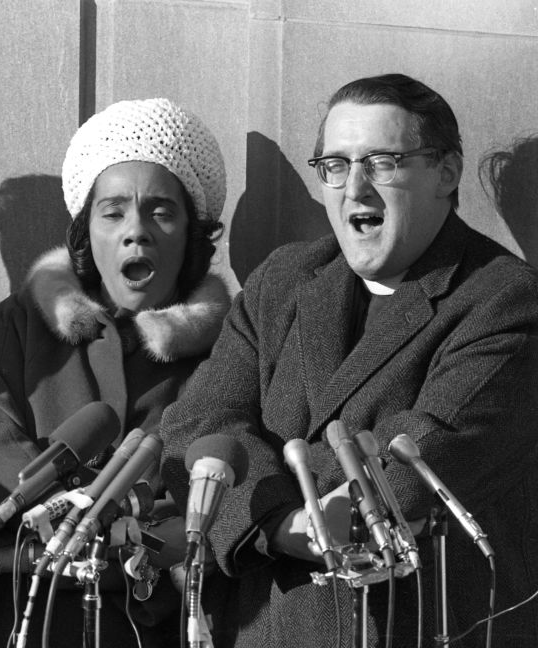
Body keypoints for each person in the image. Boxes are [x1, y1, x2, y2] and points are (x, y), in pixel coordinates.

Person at [160, 73, 538, 647]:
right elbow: (196, 429)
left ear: (446, 172)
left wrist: (254, 487)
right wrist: (280, 525)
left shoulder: (504, 298)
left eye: (382, 162)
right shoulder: (284, 280)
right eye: (335, 165)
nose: (354, 188)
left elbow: (410, 474)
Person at [0, 98, 232, 647]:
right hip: (24, 618)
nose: (136, 231)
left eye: (160, 211)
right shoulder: (19, 324)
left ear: (192, 232)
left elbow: (212, 491)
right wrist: (73, 522)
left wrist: (130, 540)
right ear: (85, 231)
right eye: (113, 212)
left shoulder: (231, 347)